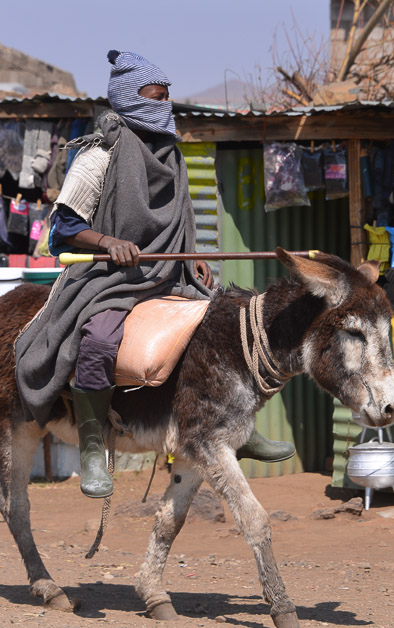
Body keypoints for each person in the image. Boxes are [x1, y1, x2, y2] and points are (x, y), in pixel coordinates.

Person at [15, 50, 295, 499]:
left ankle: (241, 431)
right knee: (99, 341)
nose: (164, 104)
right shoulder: (98, 155)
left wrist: (192, 255)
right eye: (154, 95)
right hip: (106, 279)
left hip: (169, 273)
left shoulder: (172, 154)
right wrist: (109, 244)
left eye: (168, 96)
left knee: (223, 325)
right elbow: (64, 231)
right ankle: (92, 449)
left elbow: (178, 222)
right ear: (129, 97)